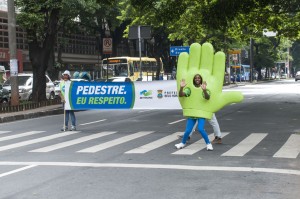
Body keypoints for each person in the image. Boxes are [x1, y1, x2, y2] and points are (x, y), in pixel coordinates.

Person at [175, 74, 213, 151]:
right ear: (193, 80)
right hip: (192, 112)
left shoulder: (204, 87)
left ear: (201, 79)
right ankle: (182, 143)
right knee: (188, 130)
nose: (197, 79)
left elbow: (207, 97)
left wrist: (204, 90)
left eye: (199, 78)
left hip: (200, 113)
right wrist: (181, 88)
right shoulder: (190, 89)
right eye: (196, 78)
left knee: (201, 129)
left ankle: (208, 144)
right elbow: (181, 94)